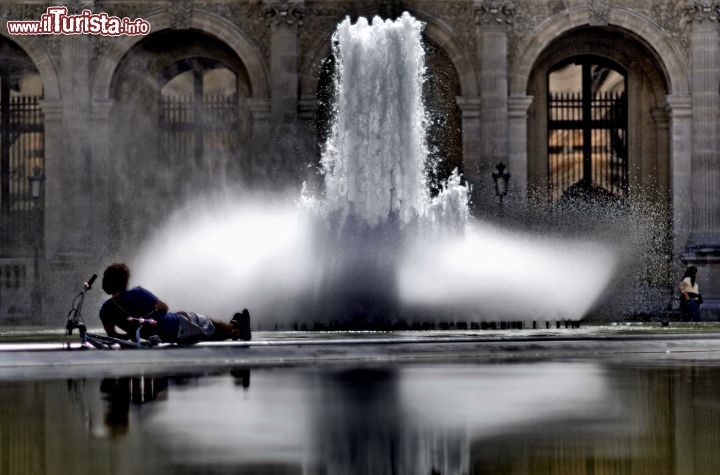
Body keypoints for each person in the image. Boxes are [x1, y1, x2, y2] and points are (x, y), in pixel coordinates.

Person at [99, 263, 251, 344]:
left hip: (162, 336)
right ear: (124, 281)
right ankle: (235, 330)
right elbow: (164, 308)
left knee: (203, 332)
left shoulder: (105, 310)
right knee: (206, 322)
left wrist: (130, 335)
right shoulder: (137, 293)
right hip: (174, 327)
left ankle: (234, 329)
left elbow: (112, 334)